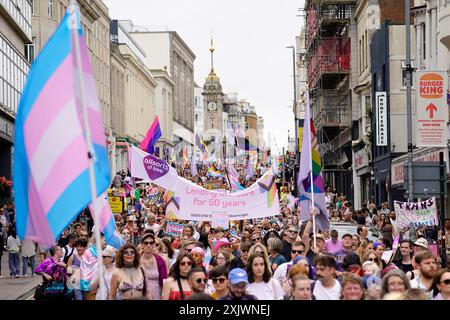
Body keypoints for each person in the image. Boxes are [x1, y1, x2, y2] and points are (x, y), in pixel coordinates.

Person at [140, 233, 168, 300]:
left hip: (157, 295)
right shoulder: (136, 260)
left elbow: (164, 282)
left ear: (155, 244)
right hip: (140, 294)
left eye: (151, 243)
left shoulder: (160, 261)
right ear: (141, 245)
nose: (148, 245)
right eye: (146, 243)